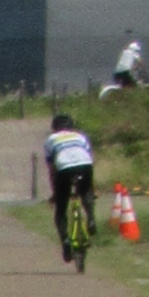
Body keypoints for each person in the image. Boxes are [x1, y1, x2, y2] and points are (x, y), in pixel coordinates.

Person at [43, 110, 97, 262]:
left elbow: (52, 168)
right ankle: (91, 218)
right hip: (85, 164)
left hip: (64, 167)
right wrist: (91, 188)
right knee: (86, 192)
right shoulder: (80, 136)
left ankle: (66, 241)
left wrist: (55, 193)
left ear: (54, 128)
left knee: (61, 209)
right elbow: (88, 157)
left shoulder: (51, 139)